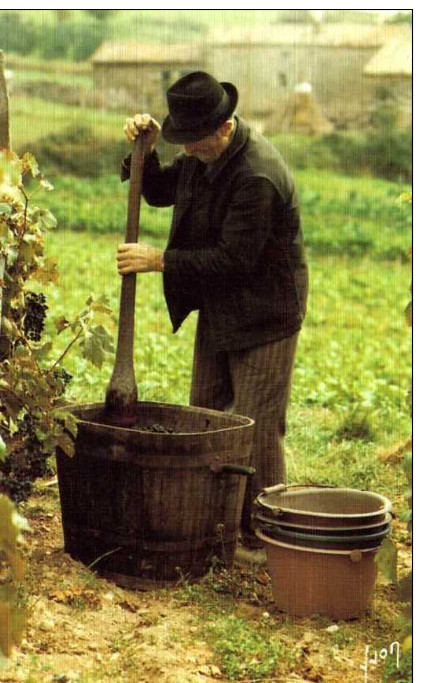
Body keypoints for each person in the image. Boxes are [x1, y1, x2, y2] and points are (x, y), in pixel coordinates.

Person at [117, 71, 308, 550]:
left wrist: (159, 260)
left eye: (192, 141)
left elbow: (234, 260)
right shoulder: (205, 154)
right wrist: (148, 150)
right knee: (205, 413)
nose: (188, 151)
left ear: (223, 128)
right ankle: (215, 522)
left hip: (265, 313)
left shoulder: (256, 174)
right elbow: (160, 191)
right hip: (221, 304)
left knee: (257, 427)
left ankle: (266, 536)